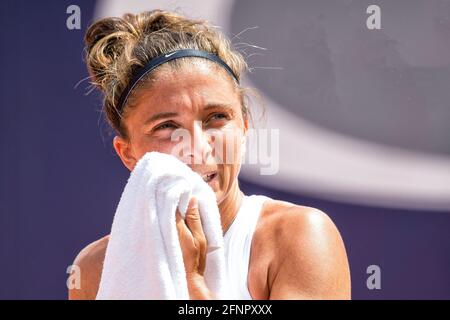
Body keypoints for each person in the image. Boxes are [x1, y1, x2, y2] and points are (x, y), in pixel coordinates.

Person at [69, 9, 351, 300]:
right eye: (167, 126)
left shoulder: (300, 237)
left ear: (243, 125)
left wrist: (193, 284)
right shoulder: (93, 270)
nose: (198, 147)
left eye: (216, 117)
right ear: (127, 154)